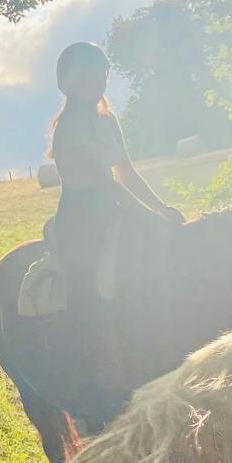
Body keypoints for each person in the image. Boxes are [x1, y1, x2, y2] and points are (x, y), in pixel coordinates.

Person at [49, 41, 183, 415]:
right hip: (82, 216)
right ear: (68, 84)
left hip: (115, 206)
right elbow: (103, 182)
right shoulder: (69, 127)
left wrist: (163, 209)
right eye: (88, 74)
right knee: (92, 288)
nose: (98, 81)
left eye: (102, 73)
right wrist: (147, 216)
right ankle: (96, 379)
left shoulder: (109, 121)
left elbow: (127, 172)